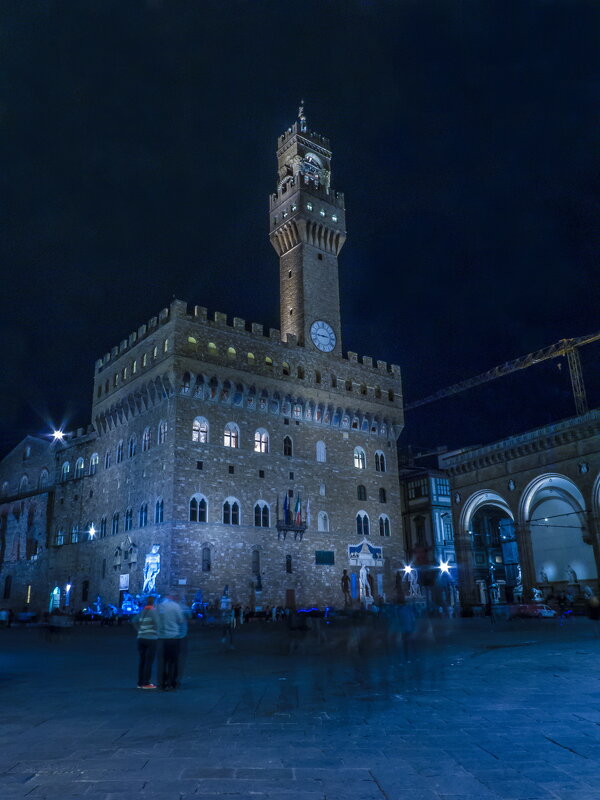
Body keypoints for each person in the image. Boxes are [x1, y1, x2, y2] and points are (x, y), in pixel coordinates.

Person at [158, 594, 186, 690]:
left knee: (163, 661)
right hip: (173, 637)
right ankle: (171, 683)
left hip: (162, 637)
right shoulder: (175, 606)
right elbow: (181, 620)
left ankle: (162, 683)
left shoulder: (160, 606)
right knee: (172, 661)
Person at [133, 596, 159, 689]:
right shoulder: (153, 612)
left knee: (142, 661)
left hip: (141, 638)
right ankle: (146, 683)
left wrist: (139, 630)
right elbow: (158, 623)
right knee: (149, 662)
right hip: (151, 639)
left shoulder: (142, 611)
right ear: (154, 603)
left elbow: (134, 620)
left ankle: (140, 682)